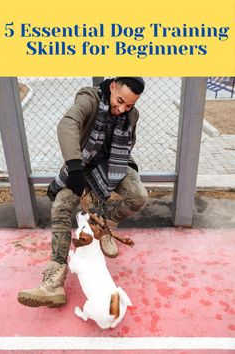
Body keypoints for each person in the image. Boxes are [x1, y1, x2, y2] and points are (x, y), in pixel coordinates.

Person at [18, 77, 148, 308]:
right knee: (60, 207)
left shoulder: (133, 115)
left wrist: (112, 168)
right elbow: (67, 124)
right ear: (112, 86)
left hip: (112, 163)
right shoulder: (89, 98)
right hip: (82, 163)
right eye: (119, 101)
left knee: (138, 195)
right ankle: (54, 281)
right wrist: (75, 167)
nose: (121, 110)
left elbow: (130, 144)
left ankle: (104, 228)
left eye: (129, 106)